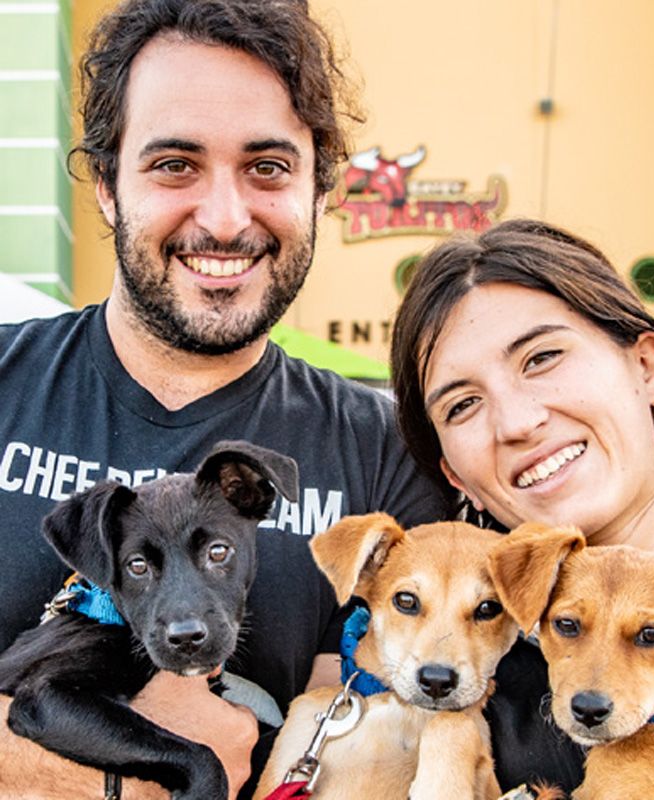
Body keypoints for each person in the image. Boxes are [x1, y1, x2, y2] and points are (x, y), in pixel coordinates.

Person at [0, 2, 449, 798]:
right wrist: (118, 784)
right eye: (175, 164)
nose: (224, 217)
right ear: (106, 186)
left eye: (267, 168)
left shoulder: (389, 455)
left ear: (321, 191)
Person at [390, 218, 654, 793]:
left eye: (541, 358)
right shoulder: (450, 676)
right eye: (462, 405)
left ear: (648, 367)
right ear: (455, 473)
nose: (517, 422)